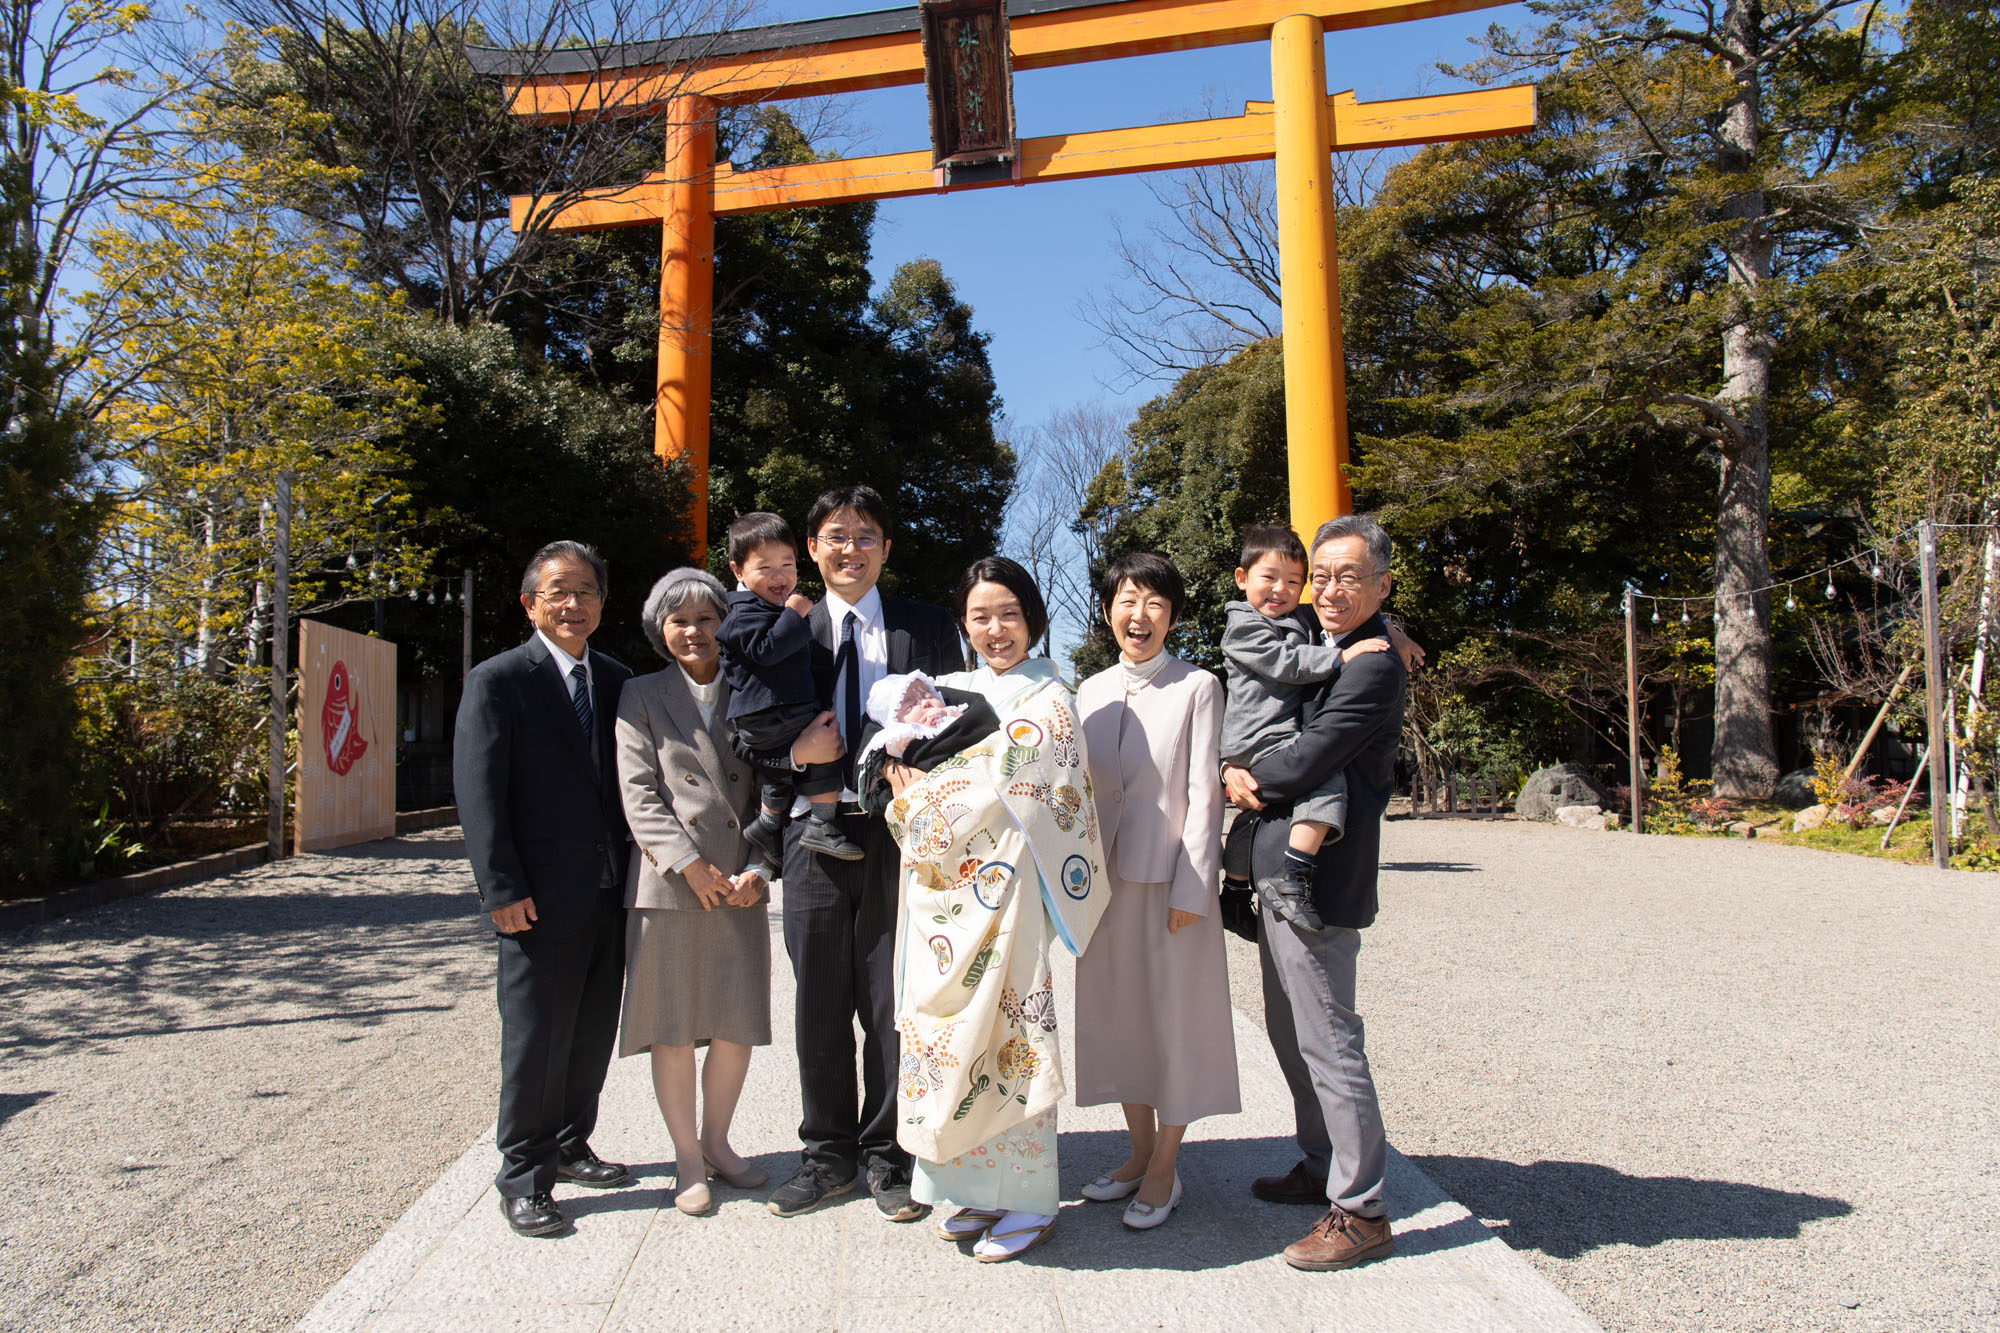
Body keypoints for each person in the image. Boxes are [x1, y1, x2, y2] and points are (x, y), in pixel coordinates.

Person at [882, 556, 1109, 1262]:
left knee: (1010, 1034)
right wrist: (901, 779)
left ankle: (1032, 1199)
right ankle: (970, 1186)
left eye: (1008, 613)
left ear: (1034, 617)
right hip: (944, 896)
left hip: (1010, 891)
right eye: (980, 616)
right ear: (964, 623)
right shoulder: (948, 692)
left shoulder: (1051, 700)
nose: (995, 628)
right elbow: (897, 765)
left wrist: (919, 797)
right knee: (949, 1037)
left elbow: (1005, 782)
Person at [766, 485, 962, 1223]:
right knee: (818, 999)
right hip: (810, 835)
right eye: (837, 537)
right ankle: (825, 1155)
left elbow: (957, 722)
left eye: (867, 536)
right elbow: (752, 730)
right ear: (812, 548)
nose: (851, 549)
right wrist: (793, 752)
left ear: (887, 548)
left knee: (891, 1002)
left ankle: (888, 1153)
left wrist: (921, 771)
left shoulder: (927, 627)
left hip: (898, 836)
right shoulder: (785, 630)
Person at [1222, 514, 1409, 1272]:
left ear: (1381, 586)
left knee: (1330, 1038)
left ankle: (1361, 1207)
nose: (1327, 590)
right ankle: (1321, 1158)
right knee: (1289, 1027)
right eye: (1320, 576)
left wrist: (1241, 777)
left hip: (1320, 880)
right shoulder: (1326, 640)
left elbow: (1307, 758)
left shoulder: (1370, 666)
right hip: (1279, 875)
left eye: (1347, 578)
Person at [454, 540, 634, 1238]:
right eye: (558, 590)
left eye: (586, 589)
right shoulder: (499, 679)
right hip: (534, 896)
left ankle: (569, 1141)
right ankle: (522, 1176)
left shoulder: (619, 679)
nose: (573, 602)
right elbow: (480, 792)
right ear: (530, 603)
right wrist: (499, 885)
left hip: (610, 892)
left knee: (590, 1033)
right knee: (534, 1041)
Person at [1074, 551, 1239, 1231]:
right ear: (1108, 608)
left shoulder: (1197, 685)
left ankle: (1167, 1165)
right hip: (1099, 885)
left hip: (1169, 880)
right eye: (1127, 600)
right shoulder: (1088, 689)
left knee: (1172, 1022)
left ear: (1172, 614)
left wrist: (1193, 889)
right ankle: (1139, 1150)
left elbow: (1205, 795)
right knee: (1118, 1020)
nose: (1138, 615)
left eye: (1155, 603)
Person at [613, 567, 774, 1217]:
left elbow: (774, 790)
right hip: (669, 885)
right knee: (673, 1027)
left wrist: (760, 863)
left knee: (736, 1022)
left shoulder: (751, 689)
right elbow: (639, 793)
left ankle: (718, 1140)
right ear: (661, 629)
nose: (695, 630)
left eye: (708, 617)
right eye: (680, 619)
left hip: (740, 883)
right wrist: (688, 863)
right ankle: (686, 1155)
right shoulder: (640, 693)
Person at [1220, 524, 1394, 929]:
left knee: (1249, 817)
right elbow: (1288, 662)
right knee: (1327, 784)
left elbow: (1342, 617)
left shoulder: (1295, 616)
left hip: (1270, 738)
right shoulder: (1243, 625)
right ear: (1242, 579)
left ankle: (1234, 889)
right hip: (1259, 736)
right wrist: (1341, 658)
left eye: (1295, 581)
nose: (1281, 589)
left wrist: (1392, 634)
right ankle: (1294, 874)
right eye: (1269, 578)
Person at [715, 512, 862, 864]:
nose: (780, 576)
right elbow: (767, 651)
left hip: (771, 715)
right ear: (738, 571)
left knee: (781, 767)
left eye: (787, 564)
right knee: (826, 741)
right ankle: (822, 824)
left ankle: (767, 823)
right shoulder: (742, 614)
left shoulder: (764, 608)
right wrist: (794, 613)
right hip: (770, 713)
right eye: (765, 568)